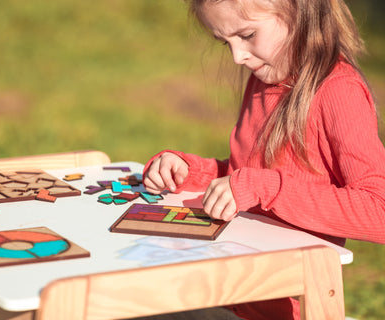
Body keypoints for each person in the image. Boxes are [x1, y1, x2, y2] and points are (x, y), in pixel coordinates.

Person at [142, 0, 385, 319]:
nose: (237, 57)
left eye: (247, 34)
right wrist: (190, 172)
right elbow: (247, 177)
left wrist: (267, 189)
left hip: (286, 307)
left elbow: (378, 211)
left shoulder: (339, 91)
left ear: (298, 10)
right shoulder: (264, 78)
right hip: (229, 292)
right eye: (223, 41)